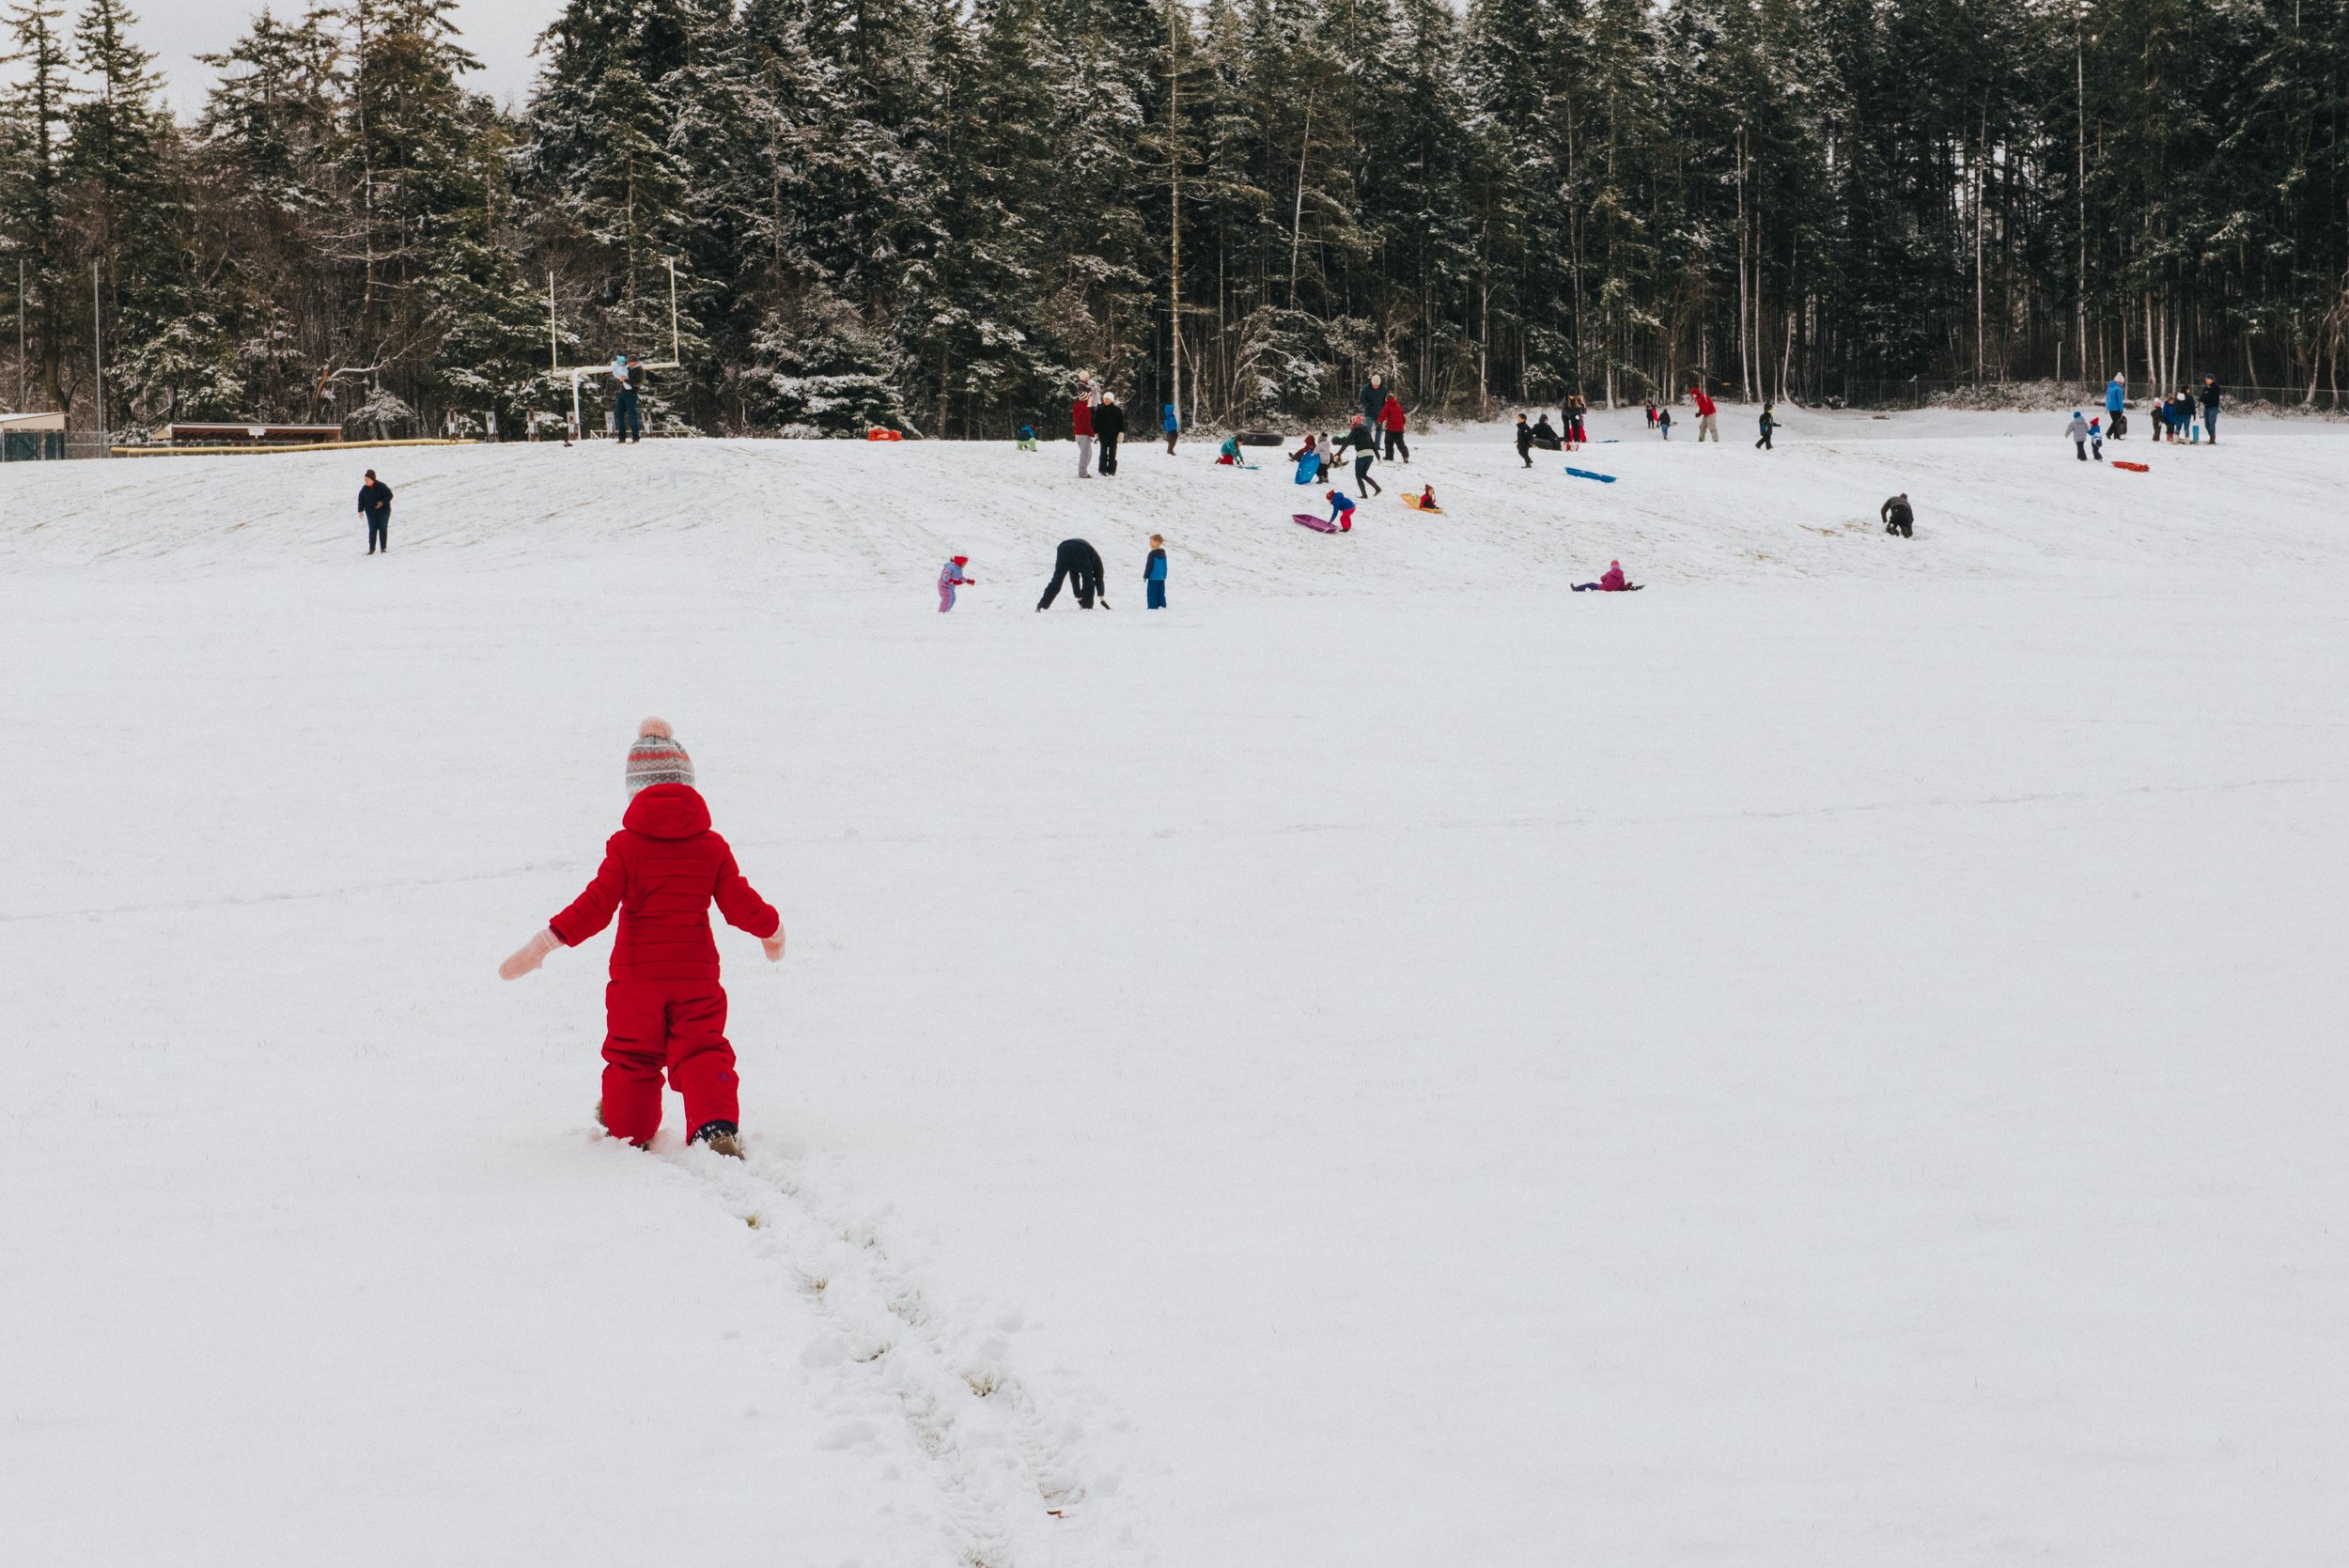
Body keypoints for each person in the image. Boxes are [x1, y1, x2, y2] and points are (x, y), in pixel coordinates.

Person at [496, 719, 784, 1159]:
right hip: (696, 977)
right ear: (688, 785)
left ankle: (627, 1126)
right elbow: (739, 903)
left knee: (632, 1057)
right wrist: (772, 930)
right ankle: (715, 1129)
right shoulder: (712, 847)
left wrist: (545, 943)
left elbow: (595, 905)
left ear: (636, 792)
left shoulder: (626, 847)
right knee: (703, 1050)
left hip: (636, 981)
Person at [1037, 538, 1109, 609]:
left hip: (1063, 548)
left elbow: (1074, 578)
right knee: (1088, 578)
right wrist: (1102, 599)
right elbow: (1099, 578)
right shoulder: (1097, 562)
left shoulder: (1080, 563)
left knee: (1057, 579)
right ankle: (1087, 606)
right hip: (1081, 548)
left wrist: (1079, 598)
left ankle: (1042, 605)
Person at [1333, 414, 1381, 495]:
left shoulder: (1355, 430)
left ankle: (1364, 495)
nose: (1351, 424)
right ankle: (1377, 488)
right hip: (1370, 455)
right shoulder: (1366, 430)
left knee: (1358, 475)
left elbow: (1346, 442)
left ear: (1354, 422)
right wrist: (1378, 457)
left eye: (1351, 422)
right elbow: (1372, 443)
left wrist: (1338, 454)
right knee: (1363, 474)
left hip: (1361, 455)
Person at [357, 469, 393, 554]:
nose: (365, 481)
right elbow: (361, 499)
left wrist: (382, 502)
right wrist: (360, 510)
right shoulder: (364, 489)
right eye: (365, 479)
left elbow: (390, 495)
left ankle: (383, 548)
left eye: (367, 479)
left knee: (382, 529)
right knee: (372, 530)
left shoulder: (381, 486)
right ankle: (371, 549)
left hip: (383, 512)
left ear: (372, 479)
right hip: (371, 513)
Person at [1095, 393, 1127, 475]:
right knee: (1103, 452)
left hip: (1113, 435)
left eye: (1107, 399)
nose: (1106, 400)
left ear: (1111, 400)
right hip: (1103, 435)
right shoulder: (1100, 409)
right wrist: (1095, 431)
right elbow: (1096, 422)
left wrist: (1121, 432)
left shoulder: (1117, 410)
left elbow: (1121, 423)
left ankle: (1111, 470)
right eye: (1105, 399)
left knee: (1112, 453)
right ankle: (1103, 469)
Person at [614, 356, 644, 443]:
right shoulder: (627, 368)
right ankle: (621, 438)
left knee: (632, 415)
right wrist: (620, 380)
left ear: (635, 362)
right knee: (619, 415)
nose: (628, 363)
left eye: (630, 362)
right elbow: (621, 380)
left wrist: (626, 380)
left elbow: (637, 383)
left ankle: (635, 437)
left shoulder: (640, 370)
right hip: (622, 393)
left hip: (631, 394)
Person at [1073, 384, 1097, 477]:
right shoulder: (1085, 409)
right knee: (1086, 454)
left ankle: (1082, 470)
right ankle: (1082, 472)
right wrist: (1092, 433)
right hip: (1084, 433)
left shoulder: (1077, 406)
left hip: (1077, 433)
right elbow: (1086, 423)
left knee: (1087, 453)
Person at [1378, 393, 1409, 462]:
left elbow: (1383, 415)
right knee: (1400, 443)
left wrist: (1379, 422)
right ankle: (1406, 456)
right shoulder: (1398, 407)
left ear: (1387, 400)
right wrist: (1401, 425)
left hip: (1391, 429)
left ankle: (1389, 457)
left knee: (1388, 443)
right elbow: (1403, 418)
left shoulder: (1387, 406)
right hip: (1399, 429)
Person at [1571, 560, 1638, 592]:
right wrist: (1628, 585)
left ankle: (1576, 589)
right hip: (1613, 589)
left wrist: (1605, 580)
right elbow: (1622, 587)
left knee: (1590, 584)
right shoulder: (1621, 577)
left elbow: (1602, 579)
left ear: (1611, 567)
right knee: (1592, 585)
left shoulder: (1609, 573)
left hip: (1603, 588)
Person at [1144, 535, 1168, 609]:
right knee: (1161, 592)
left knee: (1152, 593)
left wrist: (1146, 575)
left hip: (1153, 577)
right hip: (1162, 577)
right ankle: (1162, 605)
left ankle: (1153, 607)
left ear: (1157, 542)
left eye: (1151, 542)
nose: (1150, 544)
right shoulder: (1163, 553)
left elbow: (1149, 566)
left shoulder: (1152, 554)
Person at [2201, 376, 2221, 443]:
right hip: (2206, 407)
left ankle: (2212, 439)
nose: (2206, 380)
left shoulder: (2216, 387)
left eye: (2208, 379)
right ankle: (2211, 436)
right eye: (2206, 379)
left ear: (2212, 379)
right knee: (2207, 424)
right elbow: (2203, 396)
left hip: (2213, 407)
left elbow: (2213, 397)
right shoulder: (2206, 387)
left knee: (2211, 422)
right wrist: (2201, 399)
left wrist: (2206, 398)